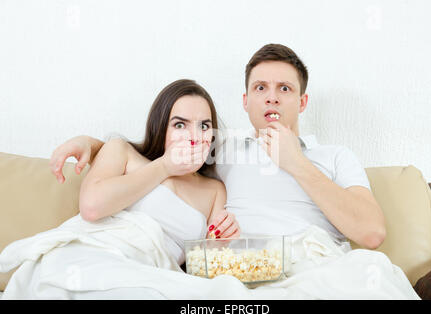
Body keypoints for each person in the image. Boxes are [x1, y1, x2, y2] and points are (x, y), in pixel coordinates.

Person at [51, 43, 386, 250]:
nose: (271, 95)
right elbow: (157, 151)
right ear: (245, 101)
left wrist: (296, 162)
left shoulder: (336, 157)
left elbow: (371, 233)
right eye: (260, 87)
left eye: (284, 88)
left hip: (318, 267)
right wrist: (93, 145)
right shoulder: (221, 151)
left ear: (302, 102)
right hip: (244, 272)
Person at [0, 79, 241, 300]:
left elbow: (202, 269)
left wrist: (219, 243)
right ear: (161, 128)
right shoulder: (122, 152)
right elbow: (92, 207)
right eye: (180, 125)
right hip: (90, 255)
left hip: (149, 274)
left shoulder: (214, 190)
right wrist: (165, 166)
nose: (194, 137)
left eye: (204, 126)